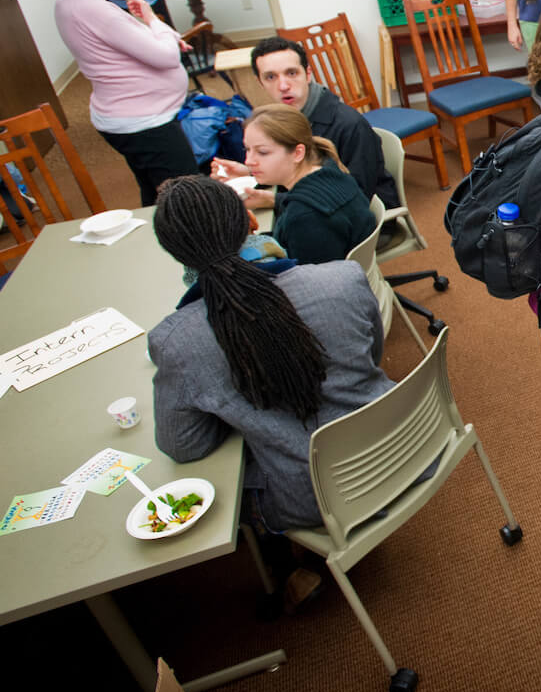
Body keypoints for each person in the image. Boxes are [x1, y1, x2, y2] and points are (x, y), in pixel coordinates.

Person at [148, 177, 390, 608]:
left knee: (232, 478)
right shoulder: (343, 278)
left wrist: (238, 408)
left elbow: (184, 446)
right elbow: (371, 355)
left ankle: (286, 572)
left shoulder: (177, 340)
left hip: (315, 498)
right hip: (397, 448)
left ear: (175, 254)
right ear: (248, 222)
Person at [47, 0, 197, 207]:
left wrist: (163, 37)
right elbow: (166, 57)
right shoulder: (92, 8)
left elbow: (130, 47)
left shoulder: (72, 1)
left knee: (156, 195)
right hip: (143, 121)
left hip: (129, 116)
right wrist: (153, 21)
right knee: (188, 198)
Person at [210, 37, 397, 214]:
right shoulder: (284, 119)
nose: (283, 86)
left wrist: (275, 200)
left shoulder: (349, 125)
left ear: (307, 74)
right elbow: (295, 171)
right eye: (270, 77)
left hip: (366, 220)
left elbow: (354, 198)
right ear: (260, 83)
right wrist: (252, 172)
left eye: (291, 73)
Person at [241, 104, 373, 265]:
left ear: (298, 153)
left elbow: (307, 276)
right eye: (247, 150)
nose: (248, 161)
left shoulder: (306, 219)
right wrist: (273, 200)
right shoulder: (330, 171)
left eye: (262, 152)